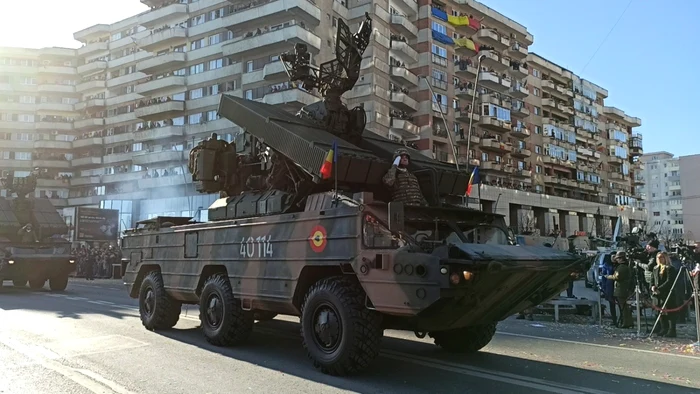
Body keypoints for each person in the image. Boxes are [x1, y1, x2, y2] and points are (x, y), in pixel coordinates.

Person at [651, 251, 679, 337]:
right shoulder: (655, 268)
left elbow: (669, 281)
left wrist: (660, 289)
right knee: (660, 312)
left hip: (667, 293)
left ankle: (672, 330)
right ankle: (664, 328)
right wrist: (652, 287)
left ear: (665, 258)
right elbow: (652, 279)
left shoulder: (670, 268)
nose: (659, 259)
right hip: (657, 294)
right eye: (658, 257)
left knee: (669, 312)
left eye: (661, 257)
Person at [604, 251, 634, 328]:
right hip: (623, 289)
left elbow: (616, 277)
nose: (616, 260)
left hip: (621, 289)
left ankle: (626, 323)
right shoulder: (624, 266)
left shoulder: (621, 267)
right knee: (624, 307)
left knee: (623, 308)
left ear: (621, 259)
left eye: (618, 258)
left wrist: (608, 277)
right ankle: (627, 322)